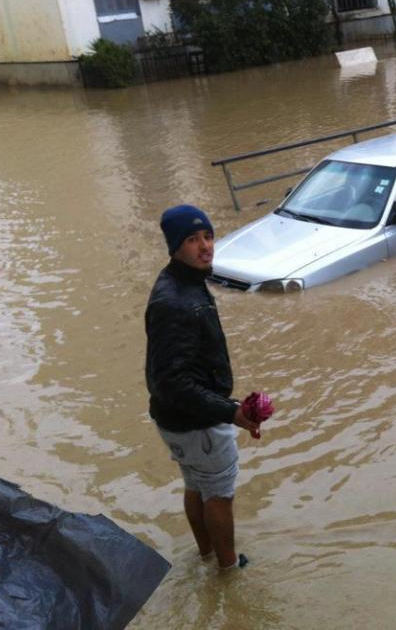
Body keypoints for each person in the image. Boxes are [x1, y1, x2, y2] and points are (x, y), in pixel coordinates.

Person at [145, 204, 260, 571]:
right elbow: (170, 381)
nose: (205, 246)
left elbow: (169, 377)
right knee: (219, 494)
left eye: (208, 236)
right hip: (197, 422)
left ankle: (206, 552)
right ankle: (228, 569)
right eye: (192, 240)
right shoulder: (176, 302)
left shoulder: (182, 284)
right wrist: (232, 412)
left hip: (177, 421)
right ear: (175, 247)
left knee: (195, 484)